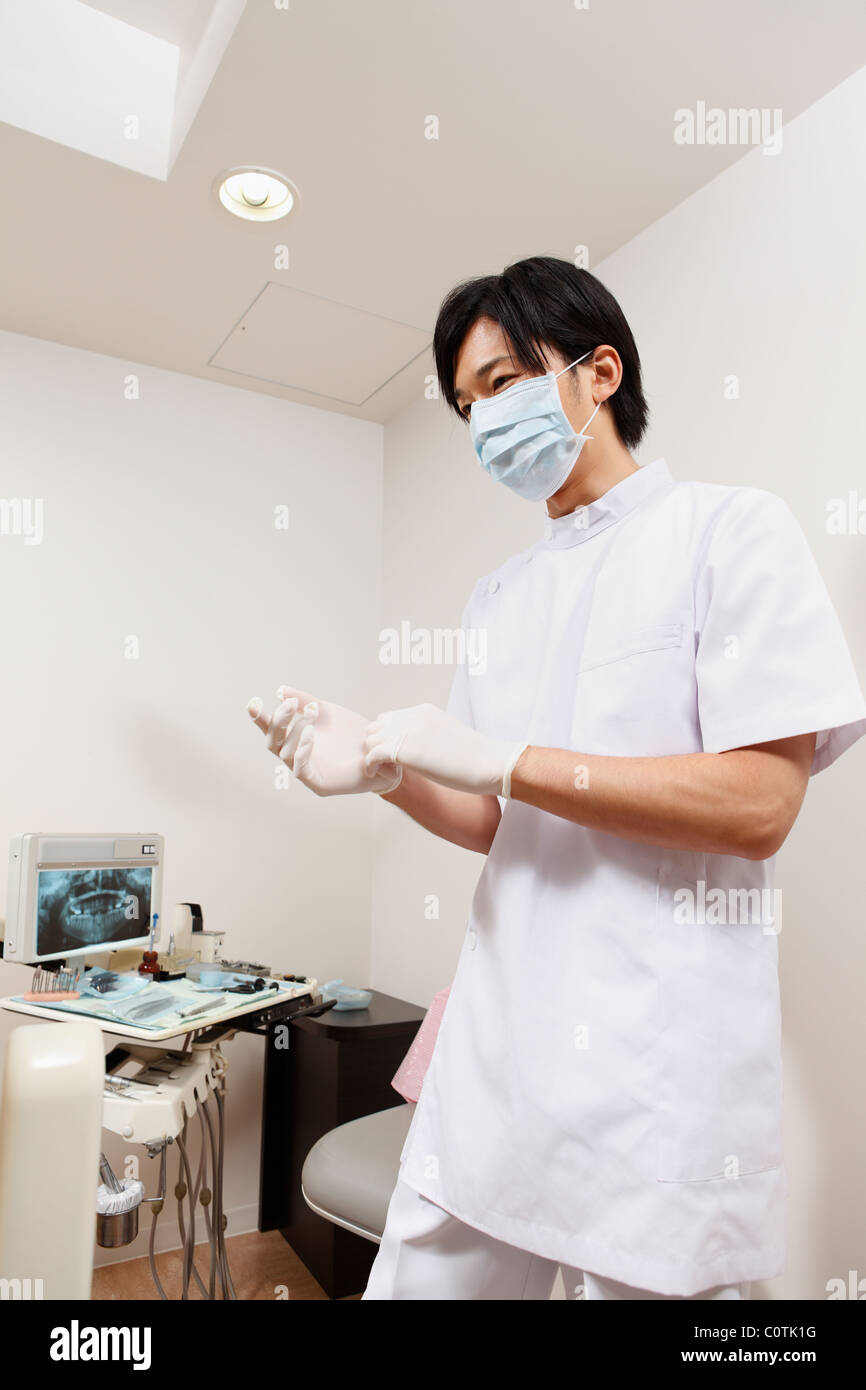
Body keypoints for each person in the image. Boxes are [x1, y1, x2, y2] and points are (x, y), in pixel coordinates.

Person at [248, 256, 866, 1301]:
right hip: (499, 1046)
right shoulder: (499, 597)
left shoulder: (727, 532)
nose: (482, 418)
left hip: (658, 1065)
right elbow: (498, 821)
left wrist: (510, 759)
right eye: (463, 404)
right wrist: (380, 768)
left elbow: (759, 806)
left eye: (500, 382)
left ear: (598, 372)